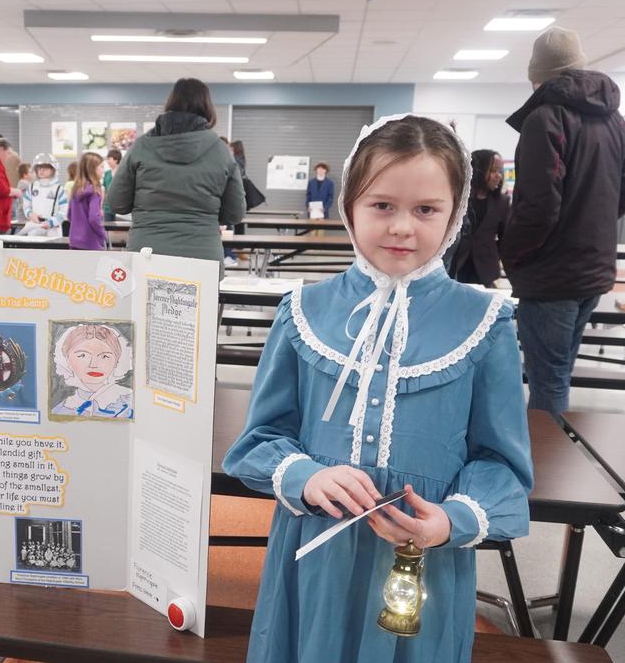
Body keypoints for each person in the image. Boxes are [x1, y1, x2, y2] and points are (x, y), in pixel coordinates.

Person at [222, 115, 532, 662]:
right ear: (349, 207)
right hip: (316, 558)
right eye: (382, 205)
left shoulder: (485, 320)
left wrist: (450, 521)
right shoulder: (303, 311)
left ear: (455, 213)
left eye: (426, 209)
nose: (402, 228)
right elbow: (260, 439)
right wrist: (306, 474)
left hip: (422, 559)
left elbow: (501, 461)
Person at [500, 26, 625, 415]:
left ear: (536, 76)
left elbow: (539, 205)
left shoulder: (544, 118)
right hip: (592, 271)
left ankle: (544, 467)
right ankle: (552, 460)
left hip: (552, 275)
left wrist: (511, 253)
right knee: (559, 374)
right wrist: (590, 224)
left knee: (548, 382)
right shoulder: (614, 120)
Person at [107, 78, 245, 262]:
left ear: (170, 103)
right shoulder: (221, 151)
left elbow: (117, 203)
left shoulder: (141, 147)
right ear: (208, 107)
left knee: (145, 291)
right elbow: (235, 213)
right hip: (203, 256)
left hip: (148, 254)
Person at [450, 150, 511, 288]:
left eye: (500, 171)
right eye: (493, 170)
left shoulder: (502, 202)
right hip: (457, 265)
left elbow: (505, 239)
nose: (498, 176)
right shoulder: (460, 198)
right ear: (479, 170)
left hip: (485, 271)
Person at [51, 323, 132, 418]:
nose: (93, 365)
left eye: (105, 356)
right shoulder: (60, 410)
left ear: (117, 360)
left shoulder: (130, 402)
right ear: (66, 359)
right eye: (82, 355)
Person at [19, 153, 68, 237]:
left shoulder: (59, 189)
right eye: (39, 167)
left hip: (52, 229)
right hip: (34, 227)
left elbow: (64, 211)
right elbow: (26, 206)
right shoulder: (32, 187)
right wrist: (30, 214)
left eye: (45, 168)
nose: (41, 170)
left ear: (53, 169)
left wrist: (52, 222)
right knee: (34, 249)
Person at [67, 153, 107, 251]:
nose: (103, 170)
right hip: (91, 243)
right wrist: (102, 234)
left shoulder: (75, 190)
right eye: (101, 167)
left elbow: (69, 215)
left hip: (74, 241)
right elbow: (93, 218)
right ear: (93, 169)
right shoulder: (95, 191)